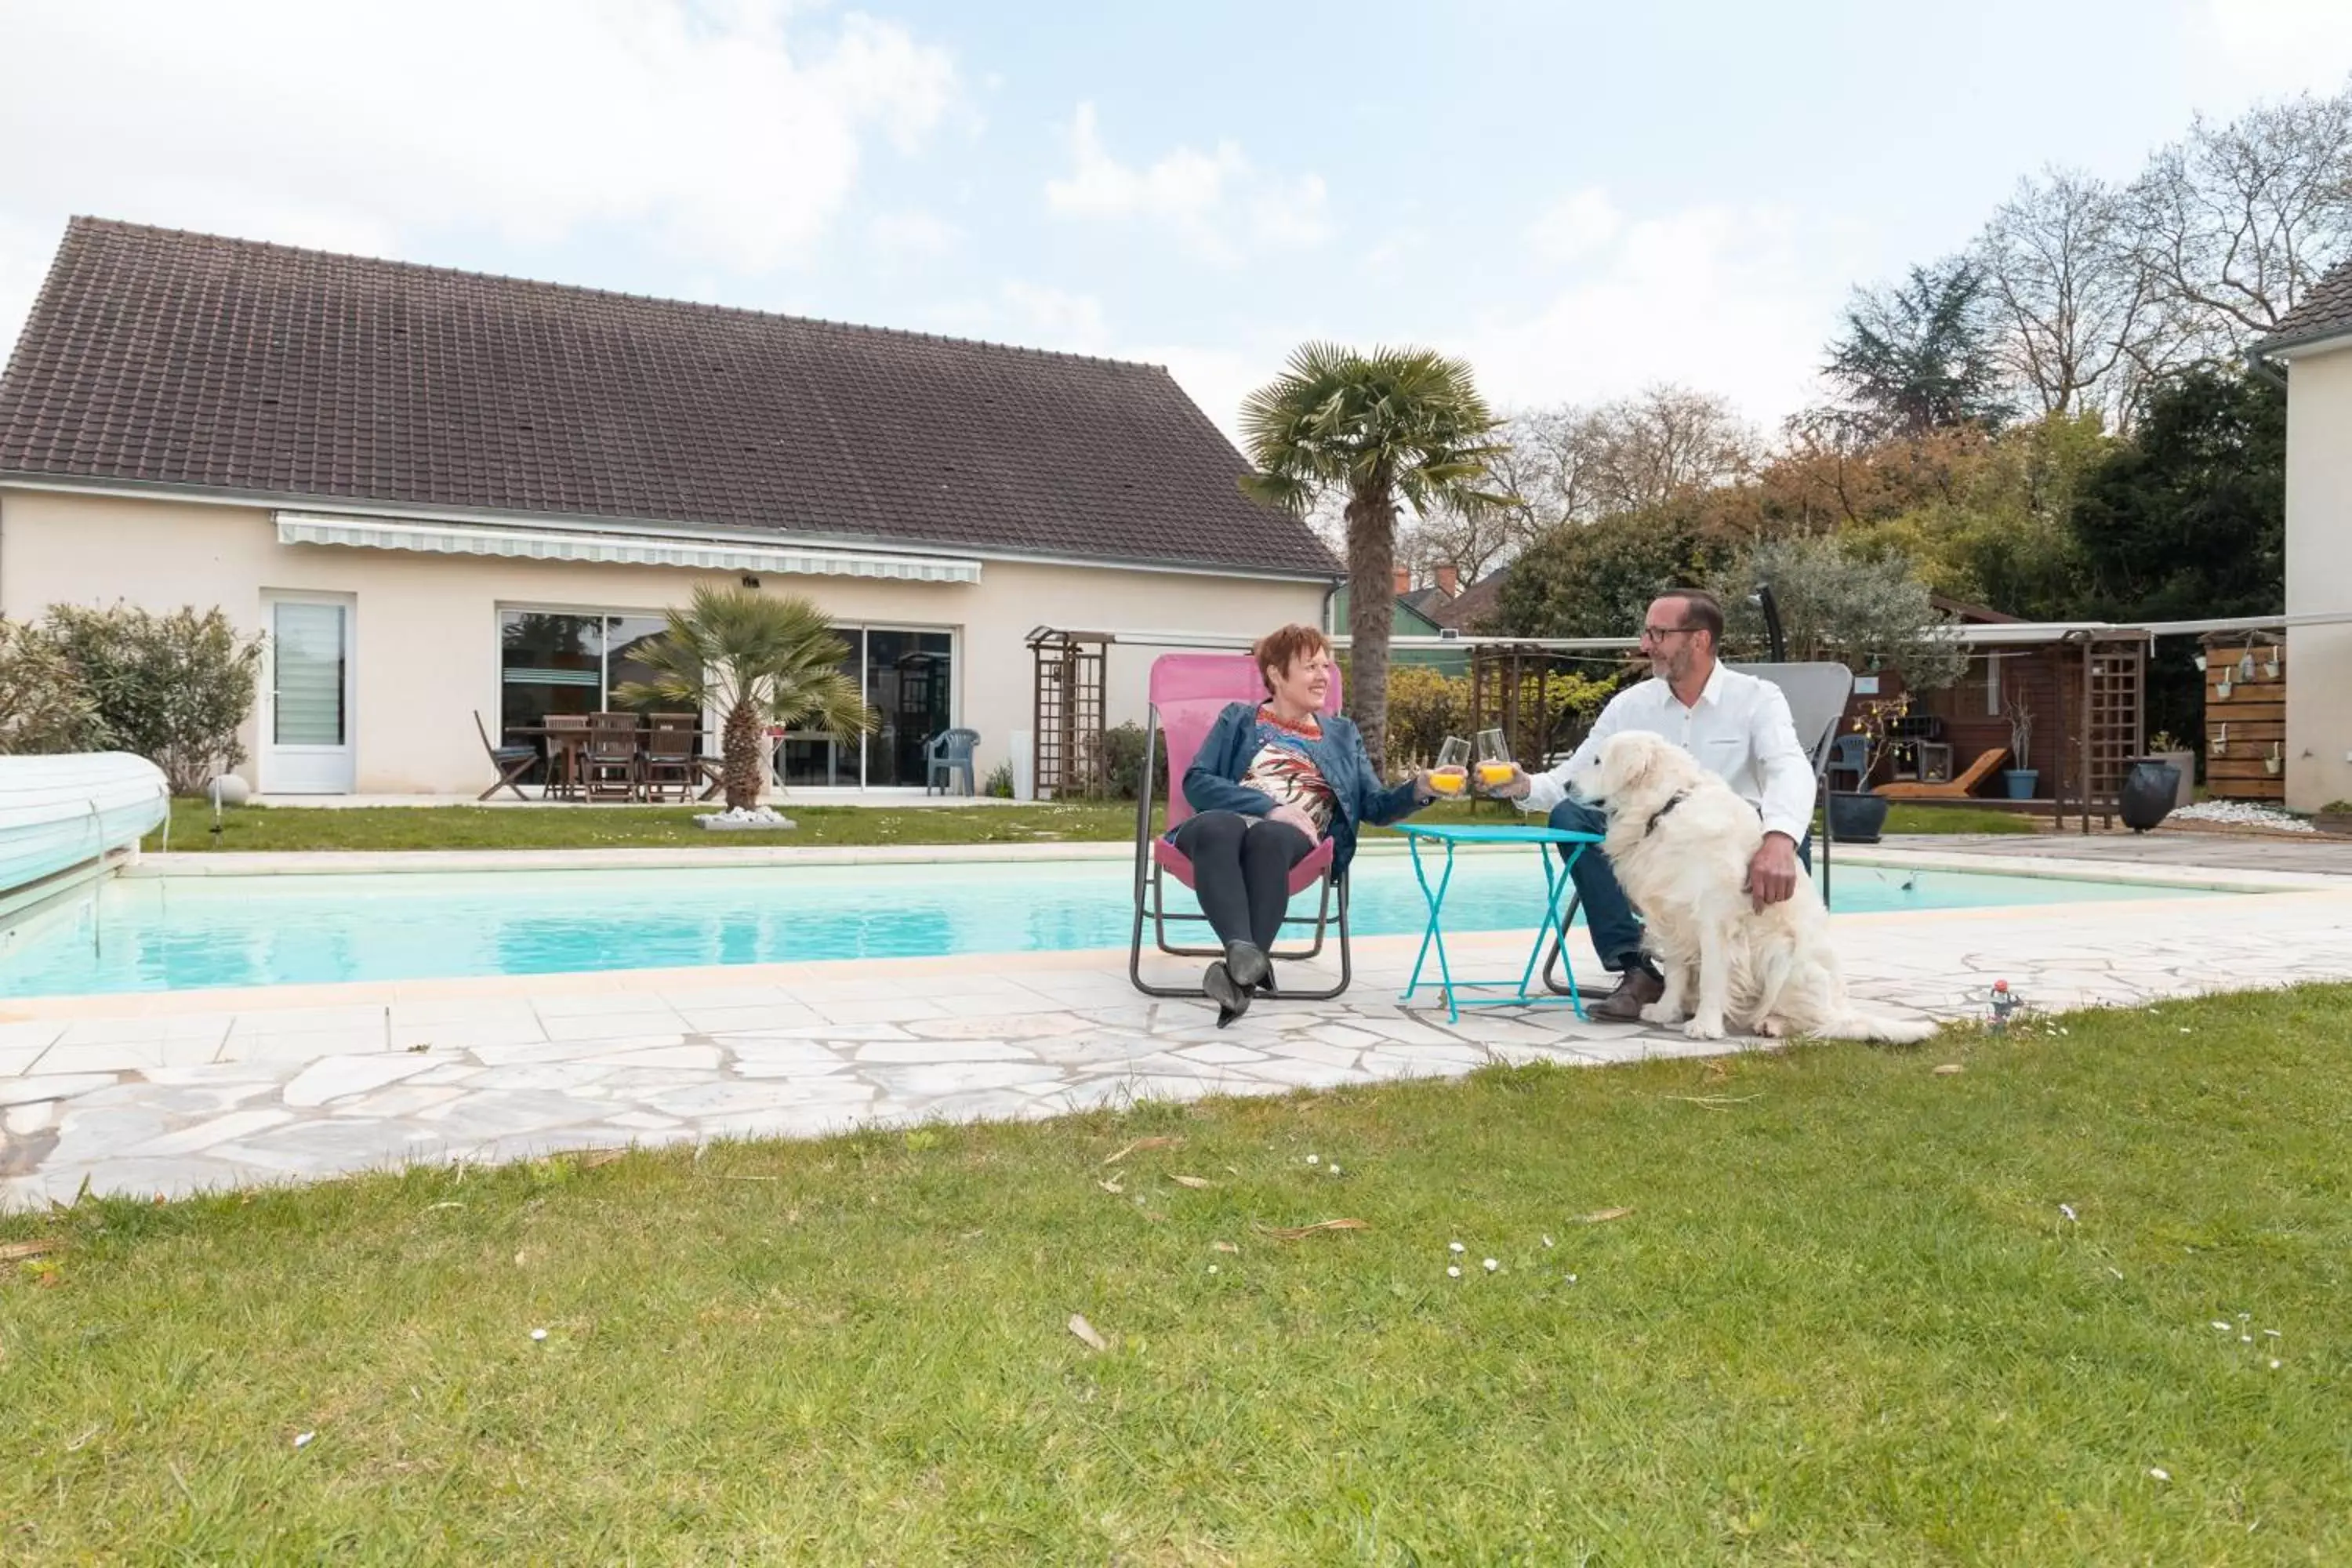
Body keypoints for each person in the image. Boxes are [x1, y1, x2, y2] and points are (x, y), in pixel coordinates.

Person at [1486, 589, 1814, 1021]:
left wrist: (1779, 840)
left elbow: (1789, 769)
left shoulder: (1757, 698)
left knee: (1784, 832)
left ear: (1699, 640)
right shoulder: (1631, 705)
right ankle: (1636, 968)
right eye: (1646, 633)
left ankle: (1766, 981)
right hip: (1655, 852)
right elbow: (1576, 779)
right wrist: (1522, 784)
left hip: (1732, 852)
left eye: (1658, 633)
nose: (1645, 645)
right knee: (1570, 815)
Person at [1174, 623, 1439, 1025]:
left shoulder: (1342, 734)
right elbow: (1198, 781)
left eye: (1326, 666)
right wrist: (1268, 805)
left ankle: (1239, 968)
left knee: (1268, 838)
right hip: (1226, 823)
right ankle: (1245, 961)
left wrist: (1420, 788)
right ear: (1277, 675)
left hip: (1292, 837)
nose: (1323, 676)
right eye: (1310, 666)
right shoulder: (1239, 720)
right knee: (1219, 827)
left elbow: (1374, 806)